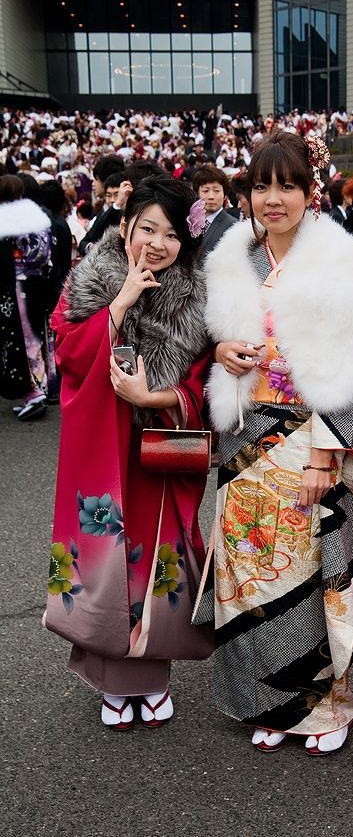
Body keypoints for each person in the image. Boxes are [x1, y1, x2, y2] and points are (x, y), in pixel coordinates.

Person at [193, 131, 353, 755]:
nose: (274, 199)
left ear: (309, 192)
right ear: (248, 193)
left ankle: (328, 704)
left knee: (311, 572)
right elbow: (212, 339)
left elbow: (352, 358)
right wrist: (221, 351)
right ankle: (267, 703)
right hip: (248, 433)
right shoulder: (233, 257)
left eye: (287, 185)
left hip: (308, 435)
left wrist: (330, 450)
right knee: (250, 573)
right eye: (262, 186)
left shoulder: (340, 259)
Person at [44, 176, 213, 730]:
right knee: (105, 554)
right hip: (104, 444)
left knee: (156, 554)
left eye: (171, 235)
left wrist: (153, 396)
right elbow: (67, 353)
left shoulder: (196, 298)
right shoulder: (92, 280)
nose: (158, 244)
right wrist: (119, 303)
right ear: (124, 227)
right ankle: (113, 680)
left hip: (157, 447)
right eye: (147, 229)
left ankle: (152, 676)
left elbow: (200, 381)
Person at [0, 173, 53, 416]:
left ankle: (35, 391)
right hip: (34, 281)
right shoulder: (35, 215)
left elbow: (35, 253)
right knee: (33, 336)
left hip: (18, 284)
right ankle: (39, 386)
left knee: (26, 338)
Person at [191, 165, 236, 263]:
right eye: (205, 191)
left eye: (216, 191)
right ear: (196, 194)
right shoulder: (189, 221)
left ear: (225, 196)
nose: (211, 196)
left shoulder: (233, 226)